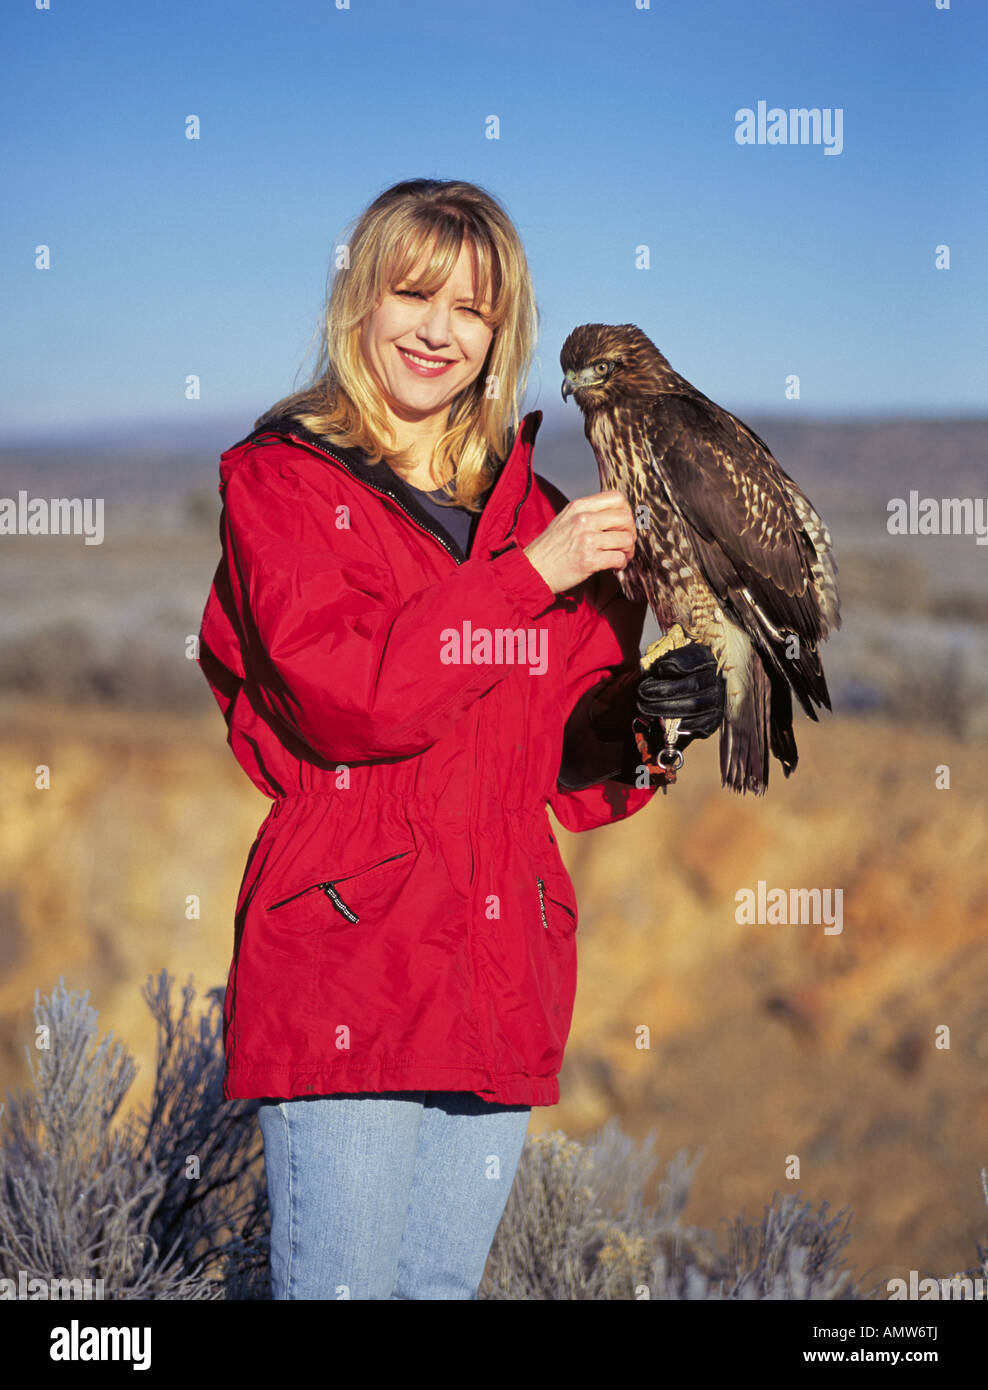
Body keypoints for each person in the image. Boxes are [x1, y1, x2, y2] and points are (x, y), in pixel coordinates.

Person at [197, 178, 724, 1301]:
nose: (439, 331)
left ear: (503, 332)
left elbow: (566, 770)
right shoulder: (281, 484)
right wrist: (529, 579)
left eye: (473, 310)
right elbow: (351, 699)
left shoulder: (533, 511)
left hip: (501, 963)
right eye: (412, 294)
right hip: (353, 953)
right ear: (360, 303)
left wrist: (648, 721)